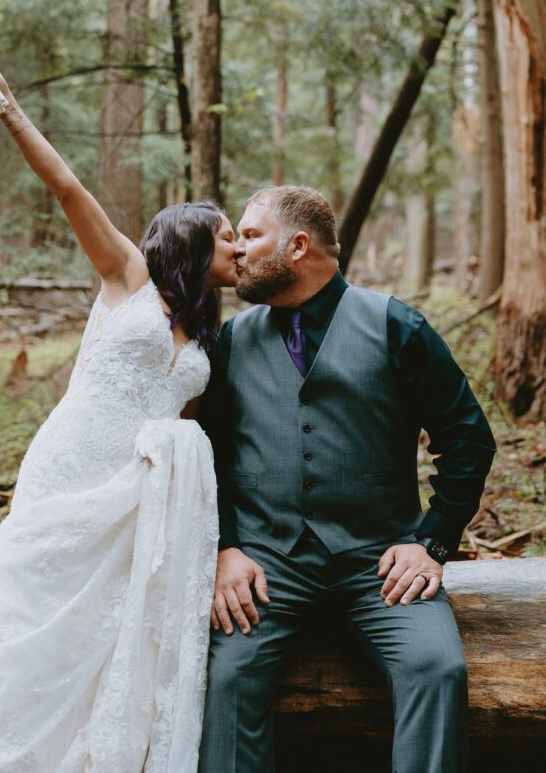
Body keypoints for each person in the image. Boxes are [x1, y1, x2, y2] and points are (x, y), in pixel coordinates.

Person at [0, 57, 238, 773]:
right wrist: (10, 112)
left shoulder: (205, 335)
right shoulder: (128, 277)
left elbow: (185, 428)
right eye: (227, 233)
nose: (237, 245)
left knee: (114, 649)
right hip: (71, 470)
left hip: (138, 503)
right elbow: (68, 187)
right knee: (34, 646)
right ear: (193, 239)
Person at [198, 185, 497, 773]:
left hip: (378, 561)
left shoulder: (396, 326)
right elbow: (208, 454)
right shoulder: (233, 340)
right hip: (266, 564)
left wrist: (431, 540)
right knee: (226, 679)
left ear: (298, 246)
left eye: (251, 235)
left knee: (439, 669)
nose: (236, 250)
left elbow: (468, 438)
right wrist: (225, 546)